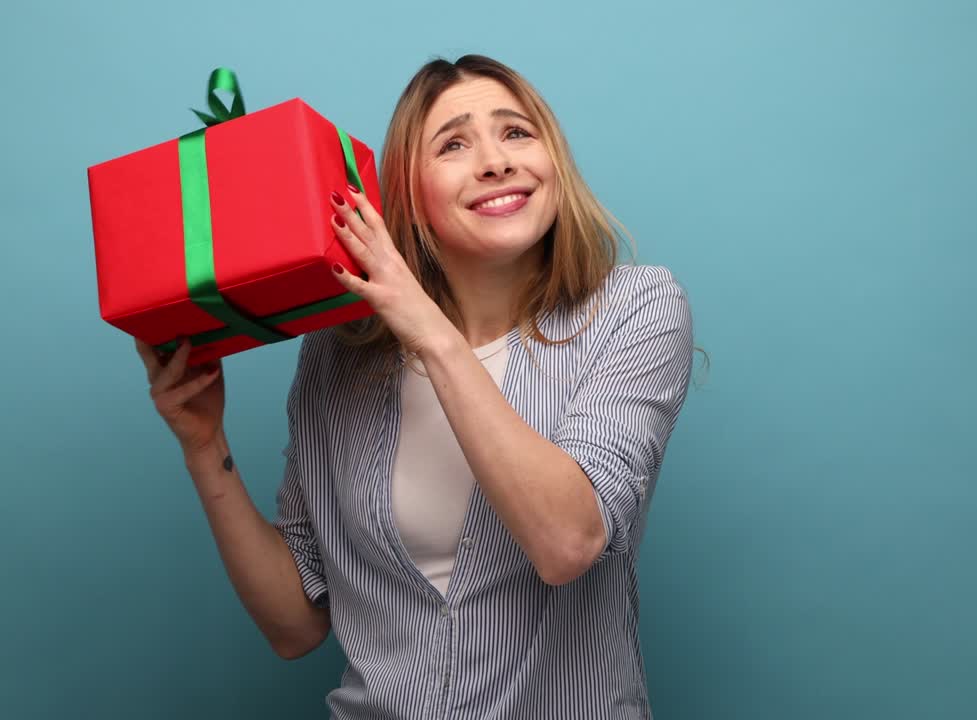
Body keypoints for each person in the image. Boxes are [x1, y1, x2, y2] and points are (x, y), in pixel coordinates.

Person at [134, 54, 695, 719]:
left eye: (517, 132)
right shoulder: (339, 352)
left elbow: (567, 543)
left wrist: (428, 331)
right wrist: (204, 446)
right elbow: (295, 627)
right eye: (453, 144)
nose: (495, 161)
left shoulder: (635, 309)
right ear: (408, 193)